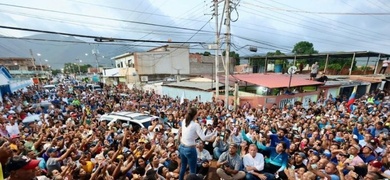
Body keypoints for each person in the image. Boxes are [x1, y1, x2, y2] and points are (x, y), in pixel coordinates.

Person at [179, 107, 216, 180]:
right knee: (193, 170)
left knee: (183, 167)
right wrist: (213, 133)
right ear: (195, 115)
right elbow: (204, 138)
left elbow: (190, 134)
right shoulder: (196, 125)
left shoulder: (184, 121)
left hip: (182, 147)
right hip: (190, 149)